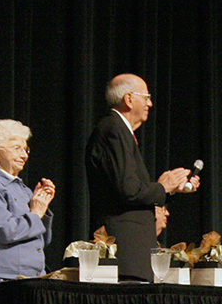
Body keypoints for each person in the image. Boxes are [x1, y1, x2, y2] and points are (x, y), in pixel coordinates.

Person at [85, 74, 199, 282]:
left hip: (132, 251)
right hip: (125, 248)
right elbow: (128, 191)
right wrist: (162, 188)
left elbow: (130, 188)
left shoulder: (120, 131)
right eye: (146, 97)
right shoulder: (113, 129)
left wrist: (171, 188)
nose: (150, 103)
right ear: (129, 99)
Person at [0, 119, 55, 283]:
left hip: (29, 277)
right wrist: (36, 212)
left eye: (26, 149)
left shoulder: (23, 189)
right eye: (17, 148)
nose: (24, 155)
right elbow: (4, 230)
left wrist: (41, 204)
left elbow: (42, 240)